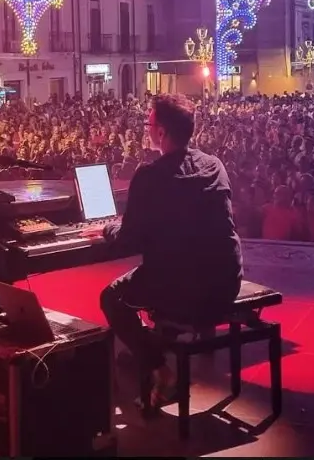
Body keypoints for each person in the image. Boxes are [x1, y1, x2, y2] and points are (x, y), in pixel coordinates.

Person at [99, 94, 243, 405]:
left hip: (179, 288)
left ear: (161, 132)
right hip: (226, 281)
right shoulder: (214, 165)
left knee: (112, 298)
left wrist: (107, 228)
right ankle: (152, 345)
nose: (146, 129)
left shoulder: (150, 176)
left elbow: (129, 241)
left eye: (148, 123)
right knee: (172, 266)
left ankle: (159, 367)